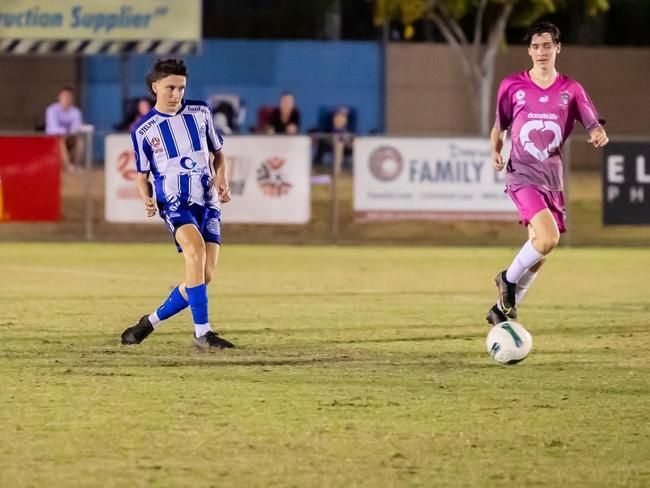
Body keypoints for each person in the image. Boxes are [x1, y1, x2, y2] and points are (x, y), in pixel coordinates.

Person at [487, 21, 609, 326]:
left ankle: (503, 313)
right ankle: (506, 280)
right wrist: (495, 149)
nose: (541, 52)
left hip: (552, 178)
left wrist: (598, 134)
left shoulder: (572, 89)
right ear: (529, 51)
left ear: (557, 48)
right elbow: (499, 126)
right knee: (548, 238)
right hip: (522, 174)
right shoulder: (512, 86)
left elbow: (593, 124)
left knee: (538, 252)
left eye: (547, 45)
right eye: (536, 46)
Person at [120, 58, 235, 349]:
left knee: (203, 275)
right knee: (194, 253)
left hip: (207, 200)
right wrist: (146, 198)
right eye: (171, 87)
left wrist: (222, 178)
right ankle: (202, 333)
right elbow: (142, 176)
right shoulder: (144, 130)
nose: (177, 94)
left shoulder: (201, 112)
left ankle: (150, 322)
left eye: (181, 88)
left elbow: (219, 154)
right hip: (174, 201)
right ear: (155, 87)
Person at [45, 87, 84, 172]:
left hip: (70, 138)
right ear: (59, 98)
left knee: (79, 141)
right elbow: (52, 128)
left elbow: (76, 127)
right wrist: (64, 132)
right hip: (53, 139)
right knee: (61, 140)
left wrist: (70, 134)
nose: (66, 100)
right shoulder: (51, 110)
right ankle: (67, 166)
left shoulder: (76, 112)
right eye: (64, 97)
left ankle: (77, 165)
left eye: (68, 97)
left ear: (72, 99)